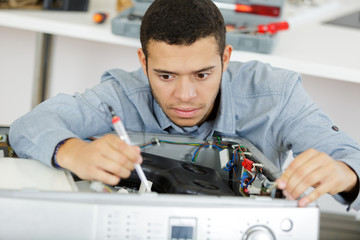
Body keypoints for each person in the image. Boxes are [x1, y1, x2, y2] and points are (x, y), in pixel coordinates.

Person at [9, 0, 359, 211]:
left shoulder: (274, 94)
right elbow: (28, 126)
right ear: (143, 63)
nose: (185, 95)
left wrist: (347, 174)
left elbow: (348, 155)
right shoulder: (121, 94)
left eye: (203, 74)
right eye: (165, 76)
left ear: (226, 57)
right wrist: (73, 152)